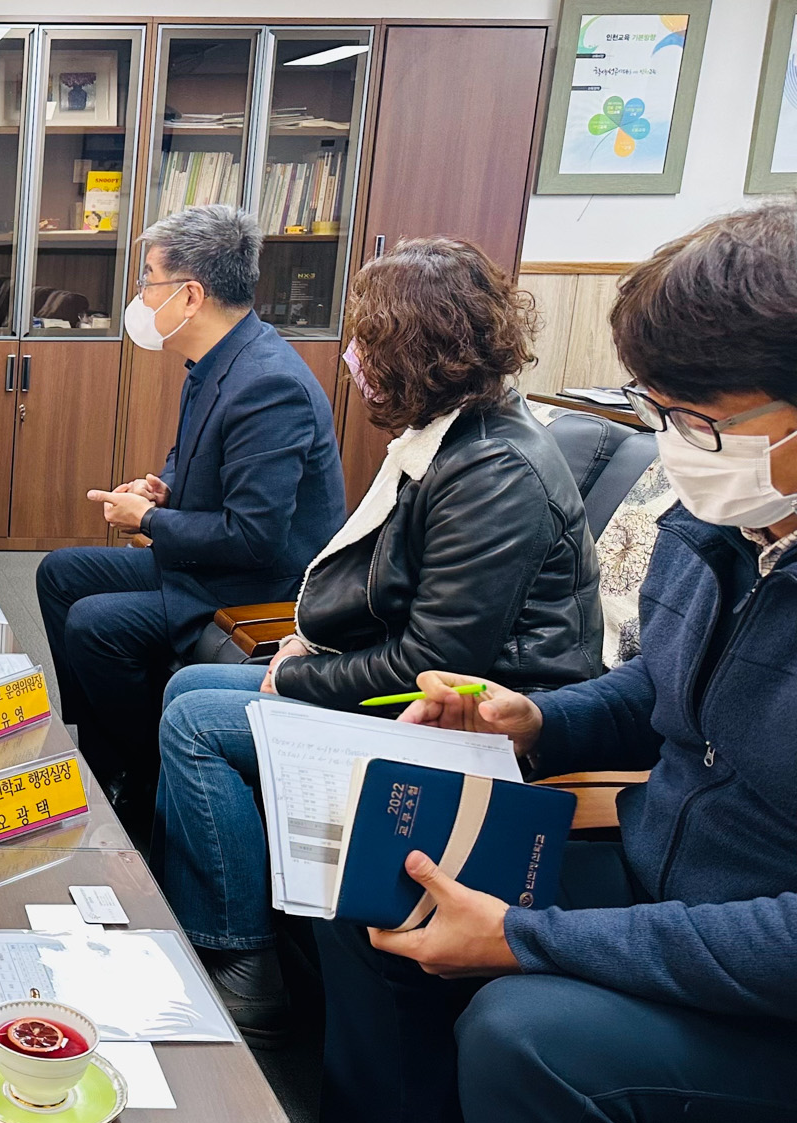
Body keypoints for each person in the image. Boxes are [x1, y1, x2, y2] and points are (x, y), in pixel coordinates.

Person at [314, 202, 797, 1123]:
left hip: (763, 979)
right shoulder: (725, 525)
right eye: (656, 411)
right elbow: (660, 694)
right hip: (663, 888)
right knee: (378, 885)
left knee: (526, 1034)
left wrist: (530, 938)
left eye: (696, 416)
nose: (672, 441)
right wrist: (531, 720)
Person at [152, 239, 603, 1042]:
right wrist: (305, 651)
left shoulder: (496, 472)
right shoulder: (451, 439)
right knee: (188, 690)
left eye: (366, 338)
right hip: (422, 690)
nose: (353, 357)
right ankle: (206, 908)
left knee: (195, 724)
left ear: (410, 349)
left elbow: (437, 666)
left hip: (466, 723)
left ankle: (242, 960)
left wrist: (294, 679)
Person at [35, 204, 345, 809]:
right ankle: (103, 750)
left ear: (190, 295)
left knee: (95, 624)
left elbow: (255, 537)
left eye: (149, 279)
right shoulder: (216, 360)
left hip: (257, 582)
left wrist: (147, 520)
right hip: (213, 563)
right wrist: (162, 490)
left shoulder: (268, 383)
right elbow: (189, 460)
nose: (141, 296)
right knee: (60, 573)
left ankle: (150, 777)